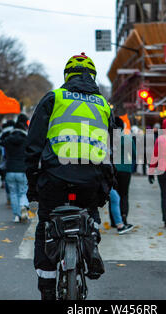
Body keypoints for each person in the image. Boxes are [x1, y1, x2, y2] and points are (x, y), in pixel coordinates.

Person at [25, 52, 114, 300]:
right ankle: (91, 244)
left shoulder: (54, 98)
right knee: (91, 215)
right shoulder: (104, 105)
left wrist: (32, 184)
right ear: (93, 76)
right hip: (91, 179)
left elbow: (33, 145)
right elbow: (114, 150)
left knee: (45, 229)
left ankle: (46, 288)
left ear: (67, 75)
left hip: (55, 179)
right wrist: (106, 187)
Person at [3, 121, 29, 223]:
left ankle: (16, 216)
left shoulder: (8, 140)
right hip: (22, 169)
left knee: (13, 193)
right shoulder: (26, 140)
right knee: (22, 192)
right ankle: (23, 205)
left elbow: (0, 142)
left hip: (10, 169)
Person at [113, 117, 135, 225]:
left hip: (113, 170)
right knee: (124, 194)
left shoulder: (109, 138)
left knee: (113, 194)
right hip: (126, 169)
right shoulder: (128, 138)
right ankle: (124, 215)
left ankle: (114, 220)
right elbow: (134, 153)